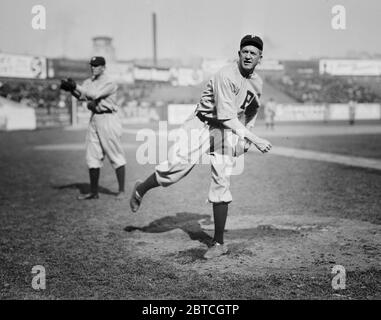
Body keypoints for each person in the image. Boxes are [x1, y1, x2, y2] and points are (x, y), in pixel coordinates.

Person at [129, 35, 272, 259]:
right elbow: (226, 117)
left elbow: (252, 108)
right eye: (244, 51)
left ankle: (218, 243)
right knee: (175, 170)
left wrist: (246, 135)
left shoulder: (258, 82)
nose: (248, 55)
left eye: (253, 53)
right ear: (239, 54)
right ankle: (141, 188)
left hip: (224, 131)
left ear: (260, 58)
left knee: (222, 180)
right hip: (202, 124)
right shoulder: (226, 75)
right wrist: (254, 138)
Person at [60, 56, 126, 200]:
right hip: (95, 118)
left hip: (109, 118)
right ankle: (94, 192)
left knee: (115, 154)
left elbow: (94, 94)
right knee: (92, 155)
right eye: (92, 65)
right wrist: (72, 90)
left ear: (103, 67)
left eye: (96, 65)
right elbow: (82, 97)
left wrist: (75, 86)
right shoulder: (88, 82)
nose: (93, 68)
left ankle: (121, 190)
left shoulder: (109, 81)